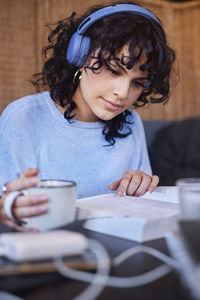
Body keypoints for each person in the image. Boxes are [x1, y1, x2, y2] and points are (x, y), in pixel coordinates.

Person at [0, 1, 175, 228]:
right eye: (113, 70)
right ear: (80, 55)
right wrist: (6, 207)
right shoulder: (22, 118)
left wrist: (141, 184)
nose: (122, 93)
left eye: (138, 83)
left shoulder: (132, 123)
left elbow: (141, 213)